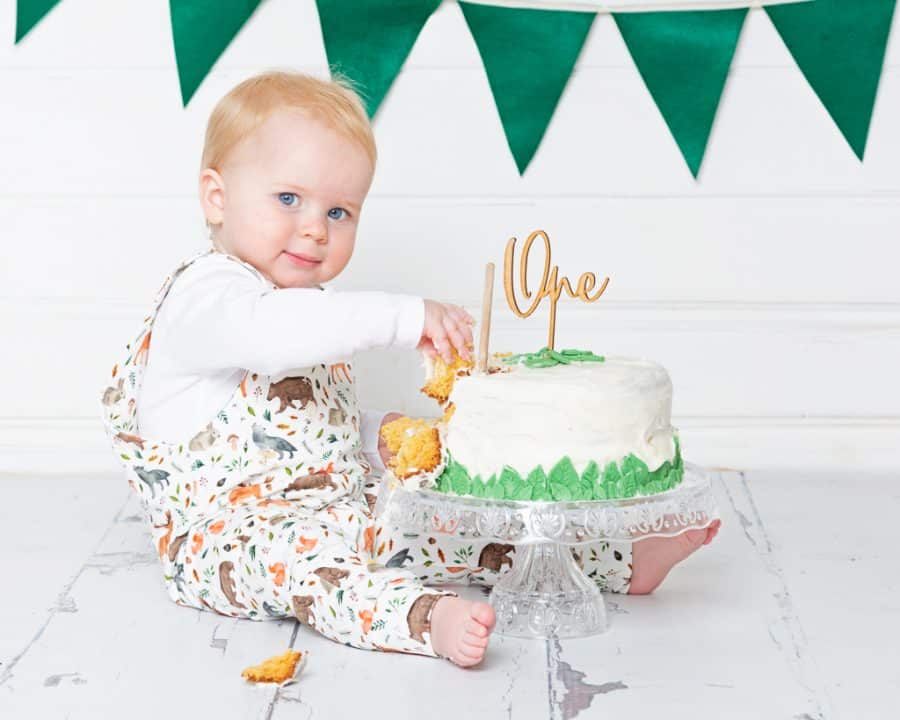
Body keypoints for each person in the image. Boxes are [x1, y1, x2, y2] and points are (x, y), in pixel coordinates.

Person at [99, 70, 718, 668]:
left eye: (339, 212)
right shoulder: (208, 297)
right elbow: (268, 340)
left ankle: (618, 562)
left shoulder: (302, 308)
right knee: (313, 571)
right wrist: (404, 316)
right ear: (217, 197)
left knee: (442, 523)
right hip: (230, 536)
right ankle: (423, 619)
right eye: (289, 198)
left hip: (339, 505)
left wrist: (380, 435)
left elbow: (306, 421)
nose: (315, 229)